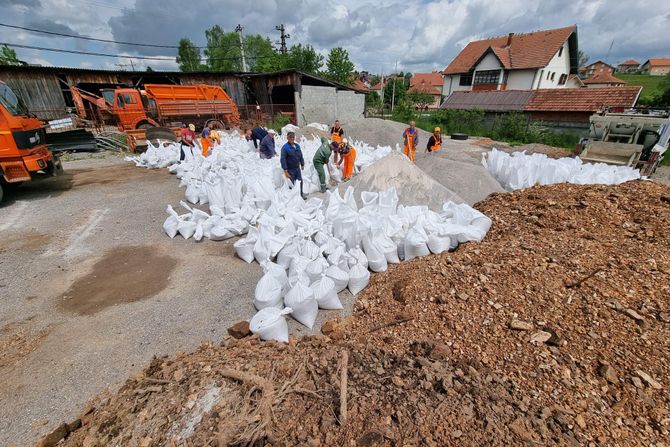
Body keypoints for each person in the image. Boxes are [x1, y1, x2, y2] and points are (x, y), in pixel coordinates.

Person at [280, 131, 305, 198]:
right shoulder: (285, 147)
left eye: (293, 137)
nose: (292, 138)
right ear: (287, 138)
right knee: (291, 184)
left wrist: (302, 164)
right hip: (290, 169)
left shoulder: (297, 146)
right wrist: (285, 170)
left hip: (297, 168)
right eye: (290, 137)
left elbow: (300, 155)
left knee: (300, 182)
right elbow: (283, 159)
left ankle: (301, 195)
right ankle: (292, 198)